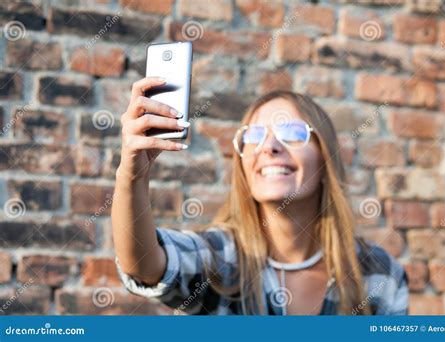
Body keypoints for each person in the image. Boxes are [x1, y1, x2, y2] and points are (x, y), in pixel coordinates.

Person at [112, 77, 408, 315]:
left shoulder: (379, 273)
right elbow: (142, 264)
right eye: (253, 136)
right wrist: (132, 175)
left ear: (324, 156)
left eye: (291, 132)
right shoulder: (219, 257)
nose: (269, 146)